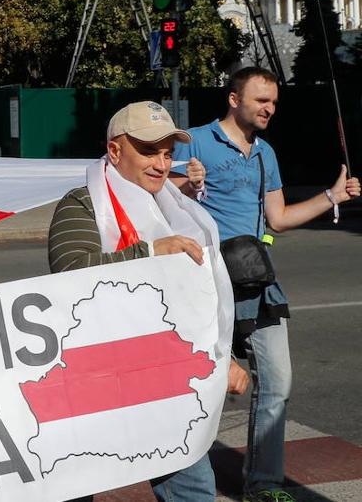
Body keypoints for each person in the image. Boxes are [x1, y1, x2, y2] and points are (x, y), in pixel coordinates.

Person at [170, 67, 360, 502]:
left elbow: (278, 218)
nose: (269, 108)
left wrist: (334, 197)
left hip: (257, 282)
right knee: (198, 391)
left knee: (278, 383)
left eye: (273, 102)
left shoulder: (265, 153)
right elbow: (156, 195)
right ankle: (180, 476)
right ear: (234, 99)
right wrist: (187, 181)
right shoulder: (195, 141)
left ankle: (264, 485)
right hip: (205, 286)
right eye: (260, 100)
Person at [48, 101, 248, 502]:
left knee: (194, 492)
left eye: (168, 152)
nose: (161, 163)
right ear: (116, 150)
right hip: (96, 384)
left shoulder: (177, 208)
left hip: (162, 385)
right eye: (148, 150)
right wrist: (150, 252)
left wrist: (221, 356)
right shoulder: (83, 203)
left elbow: (195, 301)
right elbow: (71, 272)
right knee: (80, 487)